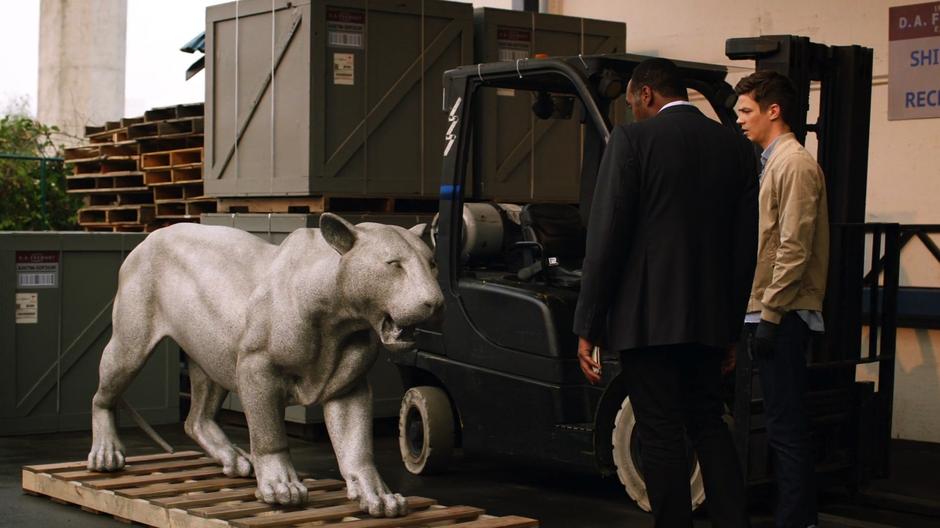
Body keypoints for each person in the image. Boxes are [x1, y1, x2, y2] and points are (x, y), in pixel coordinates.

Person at [573, 58, 757, 528]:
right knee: (708, 424)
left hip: (647, 321)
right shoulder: (734, 148)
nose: (633, 108)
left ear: (647, 95)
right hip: (710, 321)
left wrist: (588, 325)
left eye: (633, 100)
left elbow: (607, 237)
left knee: (659, 433)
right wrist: (731, 329)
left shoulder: (633, 141)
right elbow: (743, 249)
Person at [734, 70, 828, 528]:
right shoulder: (775, 161)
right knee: (779, 423)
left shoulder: (793, 164)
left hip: (783, 312)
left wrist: (769, 315)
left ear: (775, 111)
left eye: (746, 110)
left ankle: (797, 520)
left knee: (786, 426)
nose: (740, 120)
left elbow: (793, 245)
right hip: (773, 309)